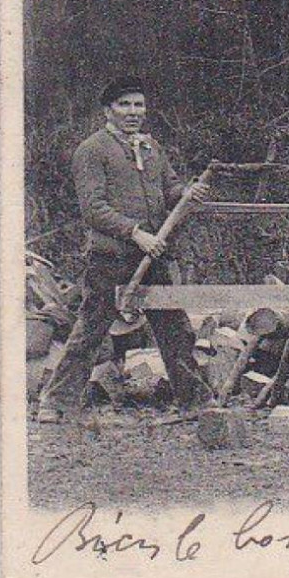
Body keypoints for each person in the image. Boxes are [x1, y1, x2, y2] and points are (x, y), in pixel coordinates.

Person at [36, 77, 209, 424]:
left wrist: (188, 193)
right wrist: (135, 233)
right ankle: (55, 405)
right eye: (125, 105)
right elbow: (94, 209)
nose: (133, 112)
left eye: (139, 105)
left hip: (153, 256)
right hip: (111, 257)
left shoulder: (150, 147)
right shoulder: (92, 150)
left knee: (175, 329)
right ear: (108, 111)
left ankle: (197, 403)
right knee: (91, 329)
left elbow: (170, 187)